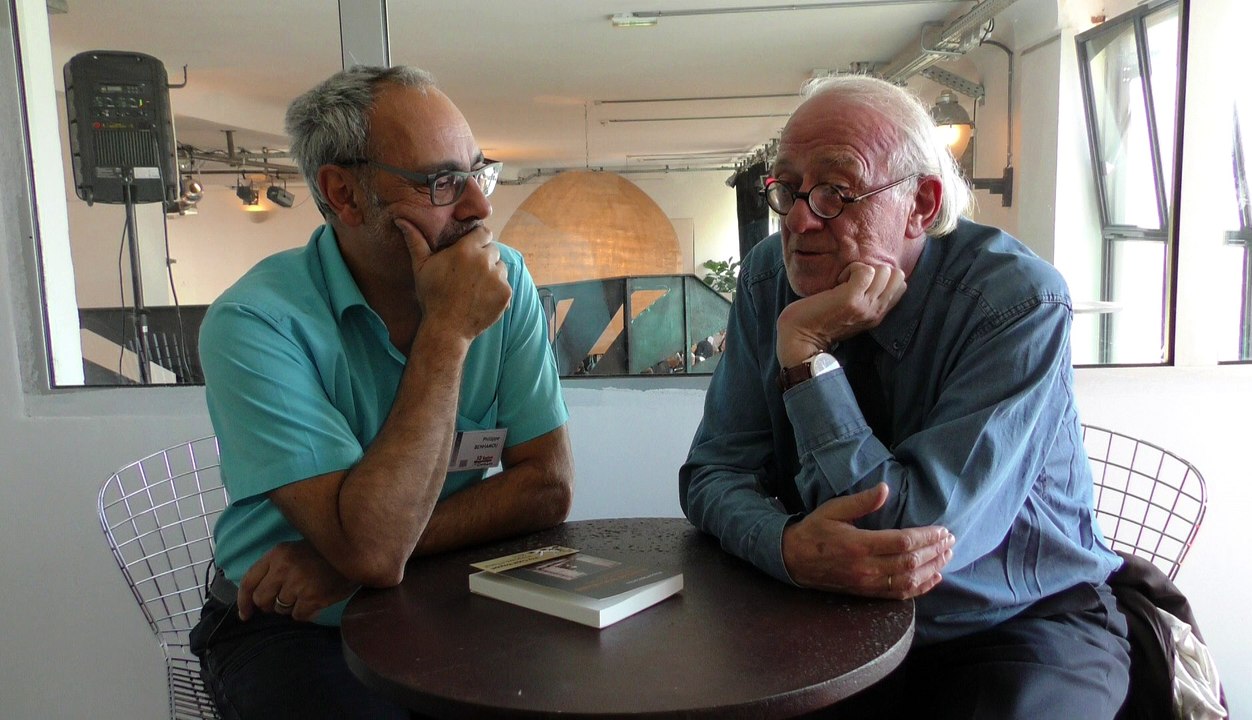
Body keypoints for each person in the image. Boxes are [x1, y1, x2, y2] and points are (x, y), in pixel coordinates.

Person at [679, 74, 1129, 718]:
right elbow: (711, 472)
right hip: (829, 611)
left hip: (1014, 624)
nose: (800, 219)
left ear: (921, 203)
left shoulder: (1016, 302)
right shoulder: (766, 279)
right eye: (789, 188)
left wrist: (805, 354)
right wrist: (786, 547)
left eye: (836, 191)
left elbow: (904, 537)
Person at [190, 65, 574, 719]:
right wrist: (447, 333)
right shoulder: (255, 323)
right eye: (441, 183)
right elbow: (372, 548)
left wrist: (340, 560)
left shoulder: (504, 278)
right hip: (292, 625)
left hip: (436, 587)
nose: (480, 209)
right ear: (344, 195)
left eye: (478, 173)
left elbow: (547, 487)